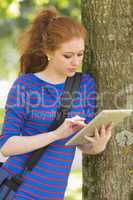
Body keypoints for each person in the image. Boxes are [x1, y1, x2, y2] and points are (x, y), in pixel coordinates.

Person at [0, 7, 112, 199]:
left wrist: (97, 145)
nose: (75, 62)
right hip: (20, 189)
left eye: (80, 54)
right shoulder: (25, 85)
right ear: (48, 52)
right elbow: (7, 146)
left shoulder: (84, 84)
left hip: (54, 192)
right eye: (67, 56)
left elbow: (80, 142)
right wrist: (55, 134)